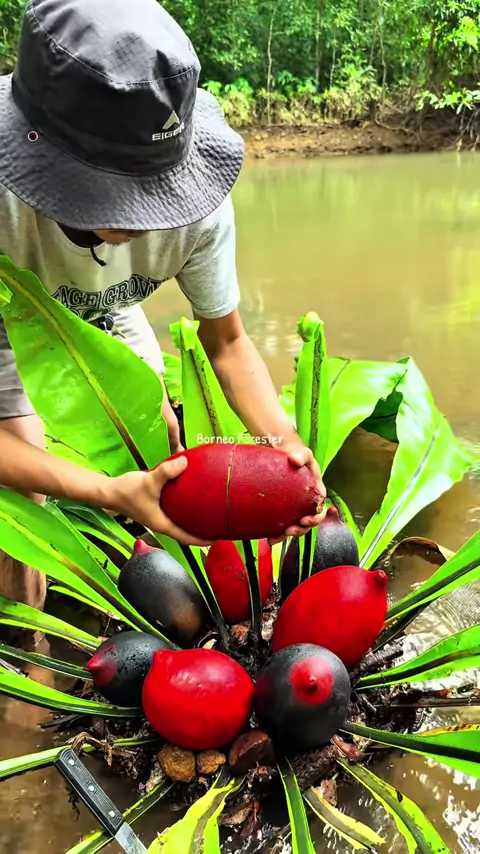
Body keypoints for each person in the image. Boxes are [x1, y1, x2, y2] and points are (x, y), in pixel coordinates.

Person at [0, 0, 326, 614]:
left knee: (158, 435)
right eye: (115, 195)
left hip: (106, 300)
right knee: (25, 502)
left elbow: (227, 342)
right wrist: (104, 491)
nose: (140, 219)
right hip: (8, 312)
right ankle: (27, 640)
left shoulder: (200, 210)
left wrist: (284, 445)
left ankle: (132, 568)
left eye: (153, 193)